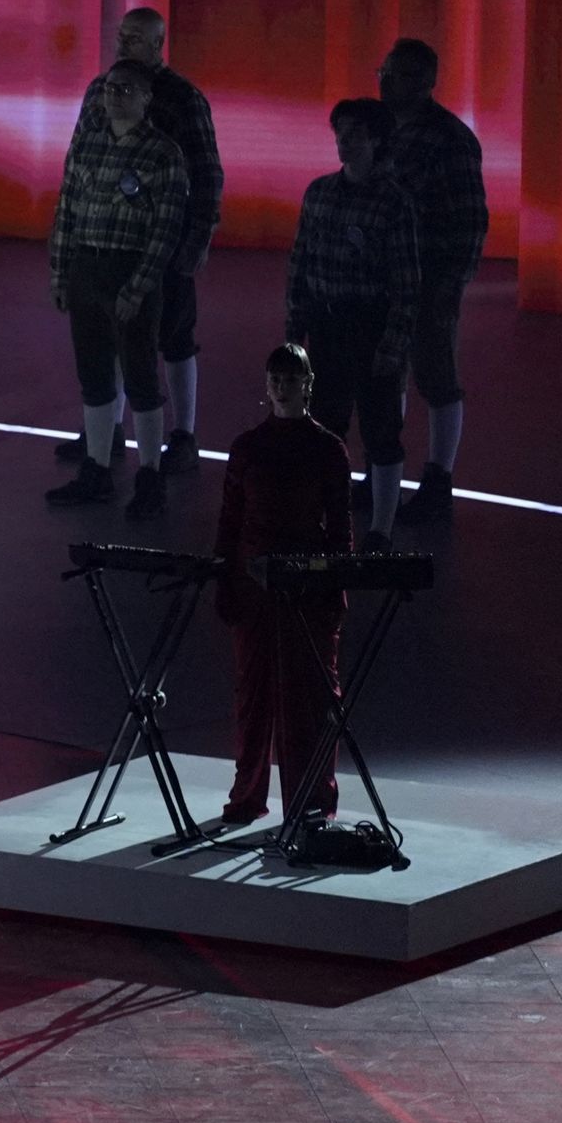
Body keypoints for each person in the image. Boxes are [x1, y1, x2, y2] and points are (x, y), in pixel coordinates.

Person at [58, 7, 222, 474]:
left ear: (158, 44)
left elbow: (207, 171)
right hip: (105, 239)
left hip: (162, 240)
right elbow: (78, 161)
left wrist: (199, 237)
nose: (122, 43)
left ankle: (183, 435)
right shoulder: (99, 90)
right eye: (121, 35)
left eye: (134, 37)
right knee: (107, 338)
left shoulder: (184, 98)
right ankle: (105, 431)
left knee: (174, 336)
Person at [212, 345, 356, 829]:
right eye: (275, 378)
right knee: (253, 697)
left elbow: (340, 531)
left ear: (307, 384)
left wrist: (333, 591)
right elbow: (230, 520)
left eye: (290, 379)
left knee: (308, 701)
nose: (280, 386)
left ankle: (310, 801)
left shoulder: (327, 449)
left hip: (305, 590)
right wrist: (225, 579)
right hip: (254, 587)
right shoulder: (248, 447)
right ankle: (248, 796)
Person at [44, 61, 191, 517]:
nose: (114, 95)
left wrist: (139, 286)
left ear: (147, 98)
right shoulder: (87, 144)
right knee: (94, 376)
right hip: (87, 268)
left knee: (141, 375)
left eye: (126, 89)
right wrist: (60, 272)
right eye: (109, 88)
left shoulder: (163, 153)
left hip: (130, 271)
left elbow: (166, 229)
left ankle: (149, 476)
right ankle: (96, 468)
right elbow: (67, 210)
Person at [286, 98, 421, 546]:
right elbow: (301, 260)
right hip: (326, 324)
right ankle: (328, 516)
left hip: (370, 325)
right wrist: (295, 322)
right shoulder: (319, 193)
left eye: (355, 134)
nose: (344, 142)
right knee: (326, 426)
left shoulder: (394, 203)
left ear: (377, 140)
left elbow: (406, 283)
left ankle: (381, 528)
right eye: (340, 133)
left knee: (381, 430)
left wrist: (393, 344)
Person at [376, 37, 486, 521]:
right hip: (387, 273)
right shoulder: (384, 129)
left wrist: (450, 284)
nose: (384, 81)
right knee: (388, 370)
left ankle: (439, 478)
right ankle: (385, 469)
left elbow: (471, 220)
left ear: (424, 83)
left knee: (435, 372)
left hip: (430, 273)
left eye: (396, 74)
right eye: (384, 71)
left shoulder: (450, 139)